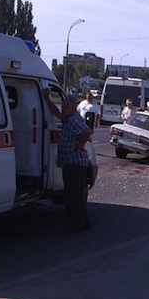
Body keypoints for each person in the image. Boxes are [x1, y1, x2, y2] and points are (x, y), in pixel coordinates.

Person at [43, 88, 93, 232]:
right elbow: (56, 113)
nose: (63, 108)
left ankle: (76, 225)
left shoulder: (74, 119)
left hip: (75, 163)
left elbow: (87, 132)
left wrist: (79, 145)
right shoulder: (68, 117)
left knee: (74, 195)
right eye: (63, 106)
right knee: (76, 195)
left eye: (66, 106)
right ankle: (83, 223)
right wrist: (47, 98)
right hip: (70, 162)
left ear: (74, 107)